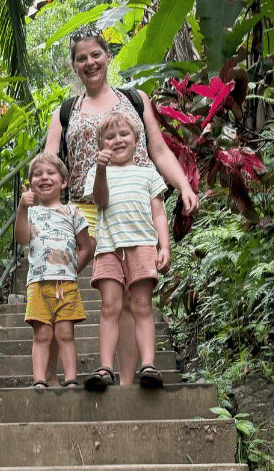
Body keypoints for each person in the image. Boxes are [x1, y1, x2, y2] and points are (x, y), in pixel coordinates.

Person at [43, 27, 199, 386]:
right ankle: (50, 380)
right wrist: (40, 202)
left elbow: (158, 150)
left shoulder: (135, 99)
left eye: (95, 54)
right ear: (74, 65)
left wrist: (184, 184)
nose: (89, 62)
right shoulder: (66, 111)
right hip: (85, 212)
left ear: (108, 55)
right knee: (61, 287)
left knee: (131, 299)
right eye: (81, 58)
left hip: (132, 205)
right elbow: (50, 159)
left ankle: (128, 384)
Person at [82, 111, 169, 390]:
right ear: (101, 145)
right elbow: (100, 199)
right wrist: (100, 170)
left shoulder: (147, 173)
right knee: (110, 307)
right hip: (108, 248)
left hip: (143, 245)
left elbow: (159, 214)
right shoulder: (97, 173)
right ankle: (106, 367)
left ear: (136, 139)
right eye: (110, 137)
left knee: (142, 306)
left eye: (124, 134)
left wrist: (163, 246)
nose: (118, 140)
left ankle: (148, 364)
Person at [14, 152, 94, 388]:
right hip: (38, 283)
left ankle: (70, 379)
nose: (44, 178)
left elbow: (86, 248)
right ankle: (39, 379)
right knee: (42, 335)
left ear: (64, 181)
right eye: (37, 174)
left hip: (66, 284)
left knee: (66, 333)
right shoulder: (31, 213)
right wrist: (21, 208)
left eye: (51, 173)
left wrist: (71, 271)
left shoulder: (73, 213)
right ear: (30, 184)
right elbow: (21, 238)